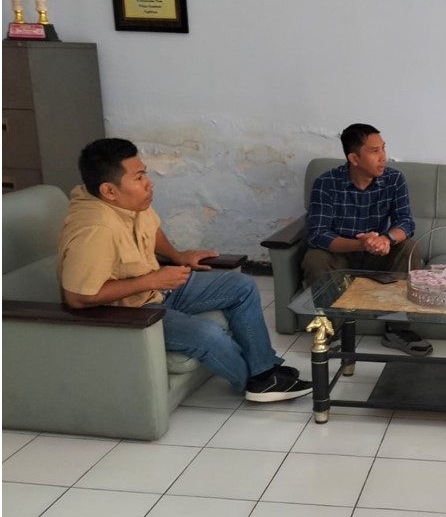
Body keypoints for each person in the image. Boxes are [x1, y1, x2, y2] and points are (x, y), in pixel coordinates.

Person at [58, 138, 309, 403]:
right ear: (109, 190)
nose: (149, 183)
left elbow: (152, 230)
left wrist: (178, 256)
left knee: (240, 285)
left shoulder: (128, 202)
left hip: (154, 290)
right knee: (206, 334)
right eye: (139, 177)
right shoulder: (96, 229)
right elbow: (78, 297)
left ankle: (264, 369)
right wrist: (152, 280)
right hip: (128, 312)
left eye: (145, 174)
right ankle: (256, 383)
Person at [301, 123, 432, 356]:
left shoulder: (394, 179)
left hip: (378, 255)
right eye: (374, 151)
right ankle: (332, 329)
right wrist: (360, 244)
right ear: (354, 158)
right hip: (340, 255)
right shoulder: (326, 183)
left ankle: (398, 330)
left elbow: (405, 222)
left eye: (383, 148)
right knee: (315, 258)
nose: (383, 157)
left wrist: (386, 240)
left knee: (408, 247)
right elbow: (319, 234)